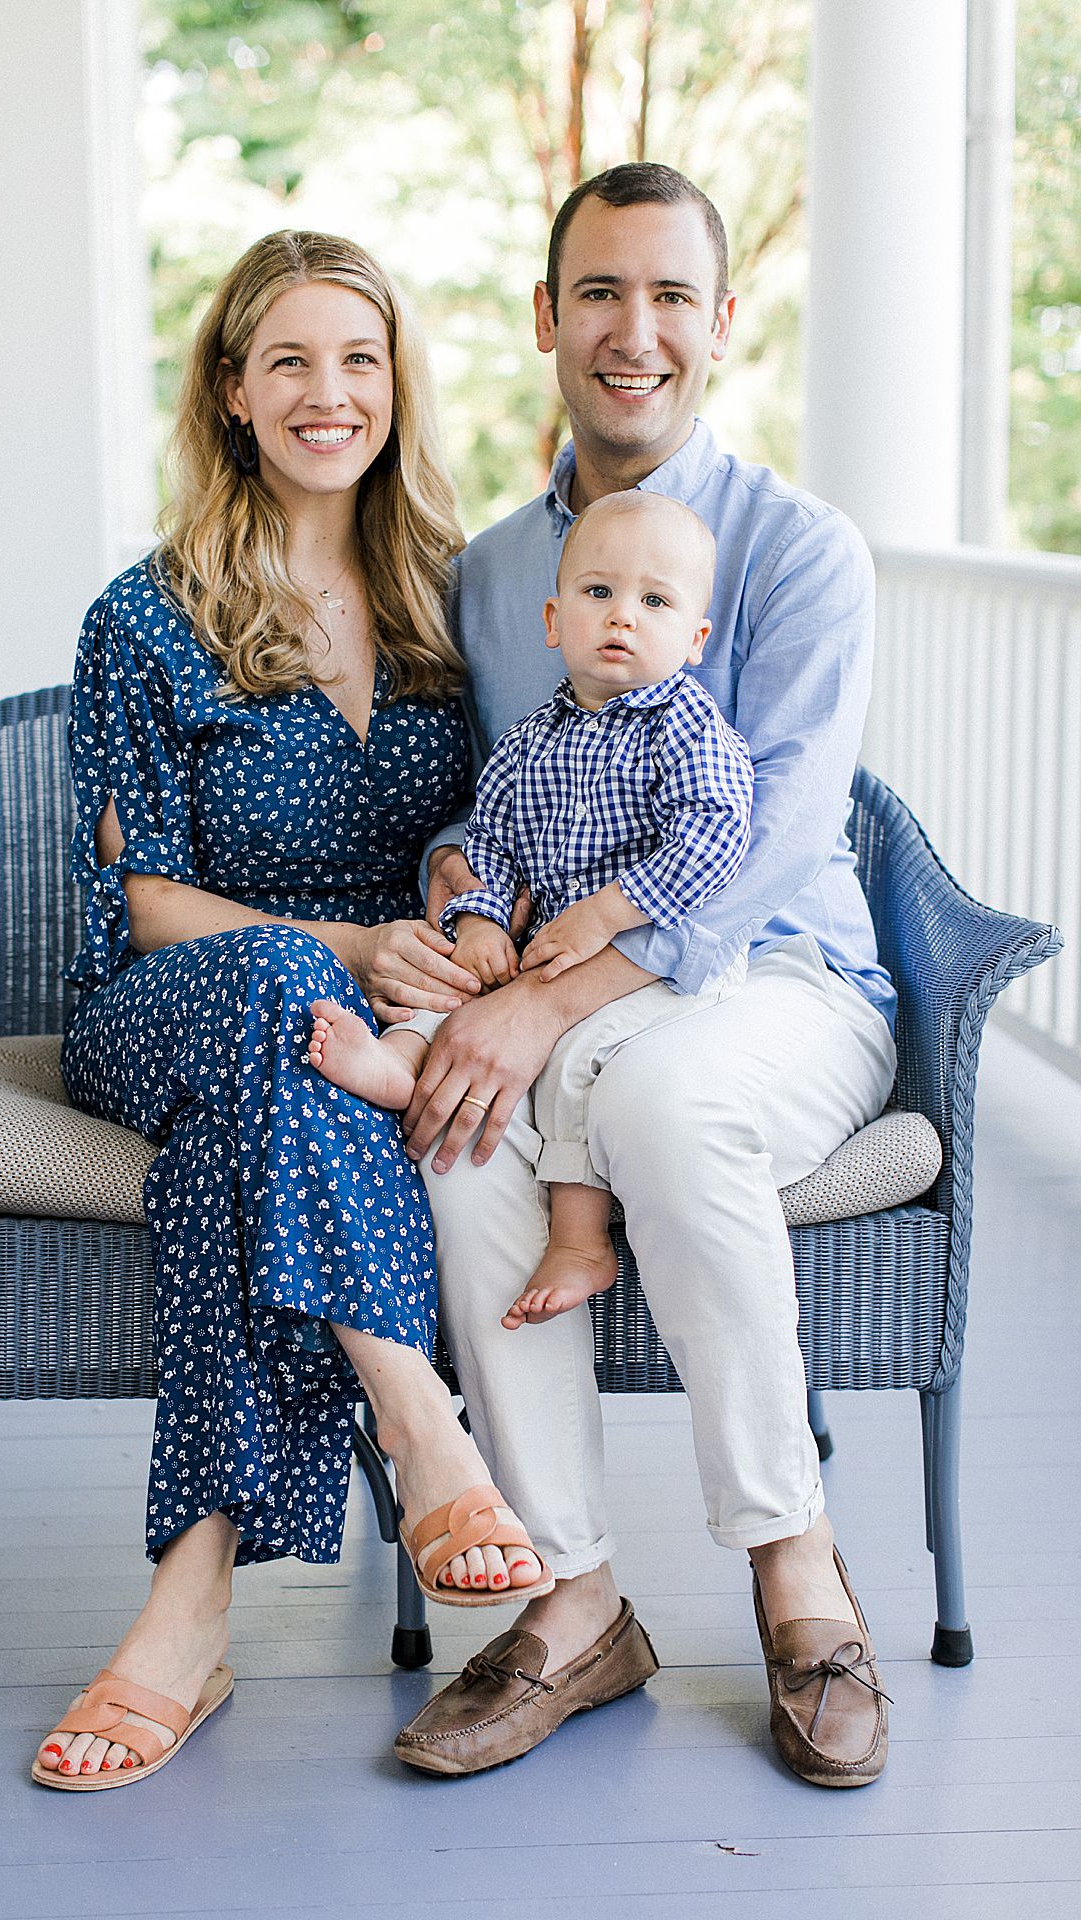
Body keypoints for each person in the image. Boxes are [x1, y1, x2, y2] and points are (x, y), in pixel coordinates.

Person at [392, 164, 898, 1790]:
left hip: (784, 984)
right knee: (457, 1125)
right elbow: (498, 805)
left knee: (673, 1099)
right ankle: (572, 1601)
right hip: (562, 976)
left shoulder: (801, 553)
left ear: (722, 326)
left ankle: (794, 1569)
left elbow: (781, 830)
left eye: (673, 294)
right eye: (600, 291)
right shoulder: (488, 578)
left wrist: (550, 996)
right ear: (548, 321)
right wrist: (467, 910)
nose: (636, 331)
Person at [32, 230, 553, 1792]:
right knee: (273, 984)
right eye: (292, 363)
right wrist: (355, 941)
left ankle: (185, 1622)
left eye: (361, 359)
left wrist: (462, 935)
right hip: (157, 1010)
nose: (331, 394)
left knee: (247, 1134)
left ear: (397, 386)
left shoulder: (457, 605)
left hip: (332, 1052)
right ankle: (418, 1419)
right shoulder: (148, 616)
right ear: (233, 393)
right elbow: (150, 905)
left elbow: (513, 824)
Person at [307, 488, 753, 1331]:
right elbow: (494, 846)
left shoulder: (688, 730)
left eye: (655, 602)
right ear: (555, 620)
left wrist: (608, 913)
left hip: (649, 961)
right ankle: (398, 1063)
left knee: (582, 1054)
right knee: (453, 1000)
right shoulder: (526, 744)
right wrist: (475, 919)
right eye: (598, 593)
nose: (623, 616)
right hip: (545, 950)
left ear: (695, 641)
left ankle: (581, 1237)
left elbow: (716, 838)